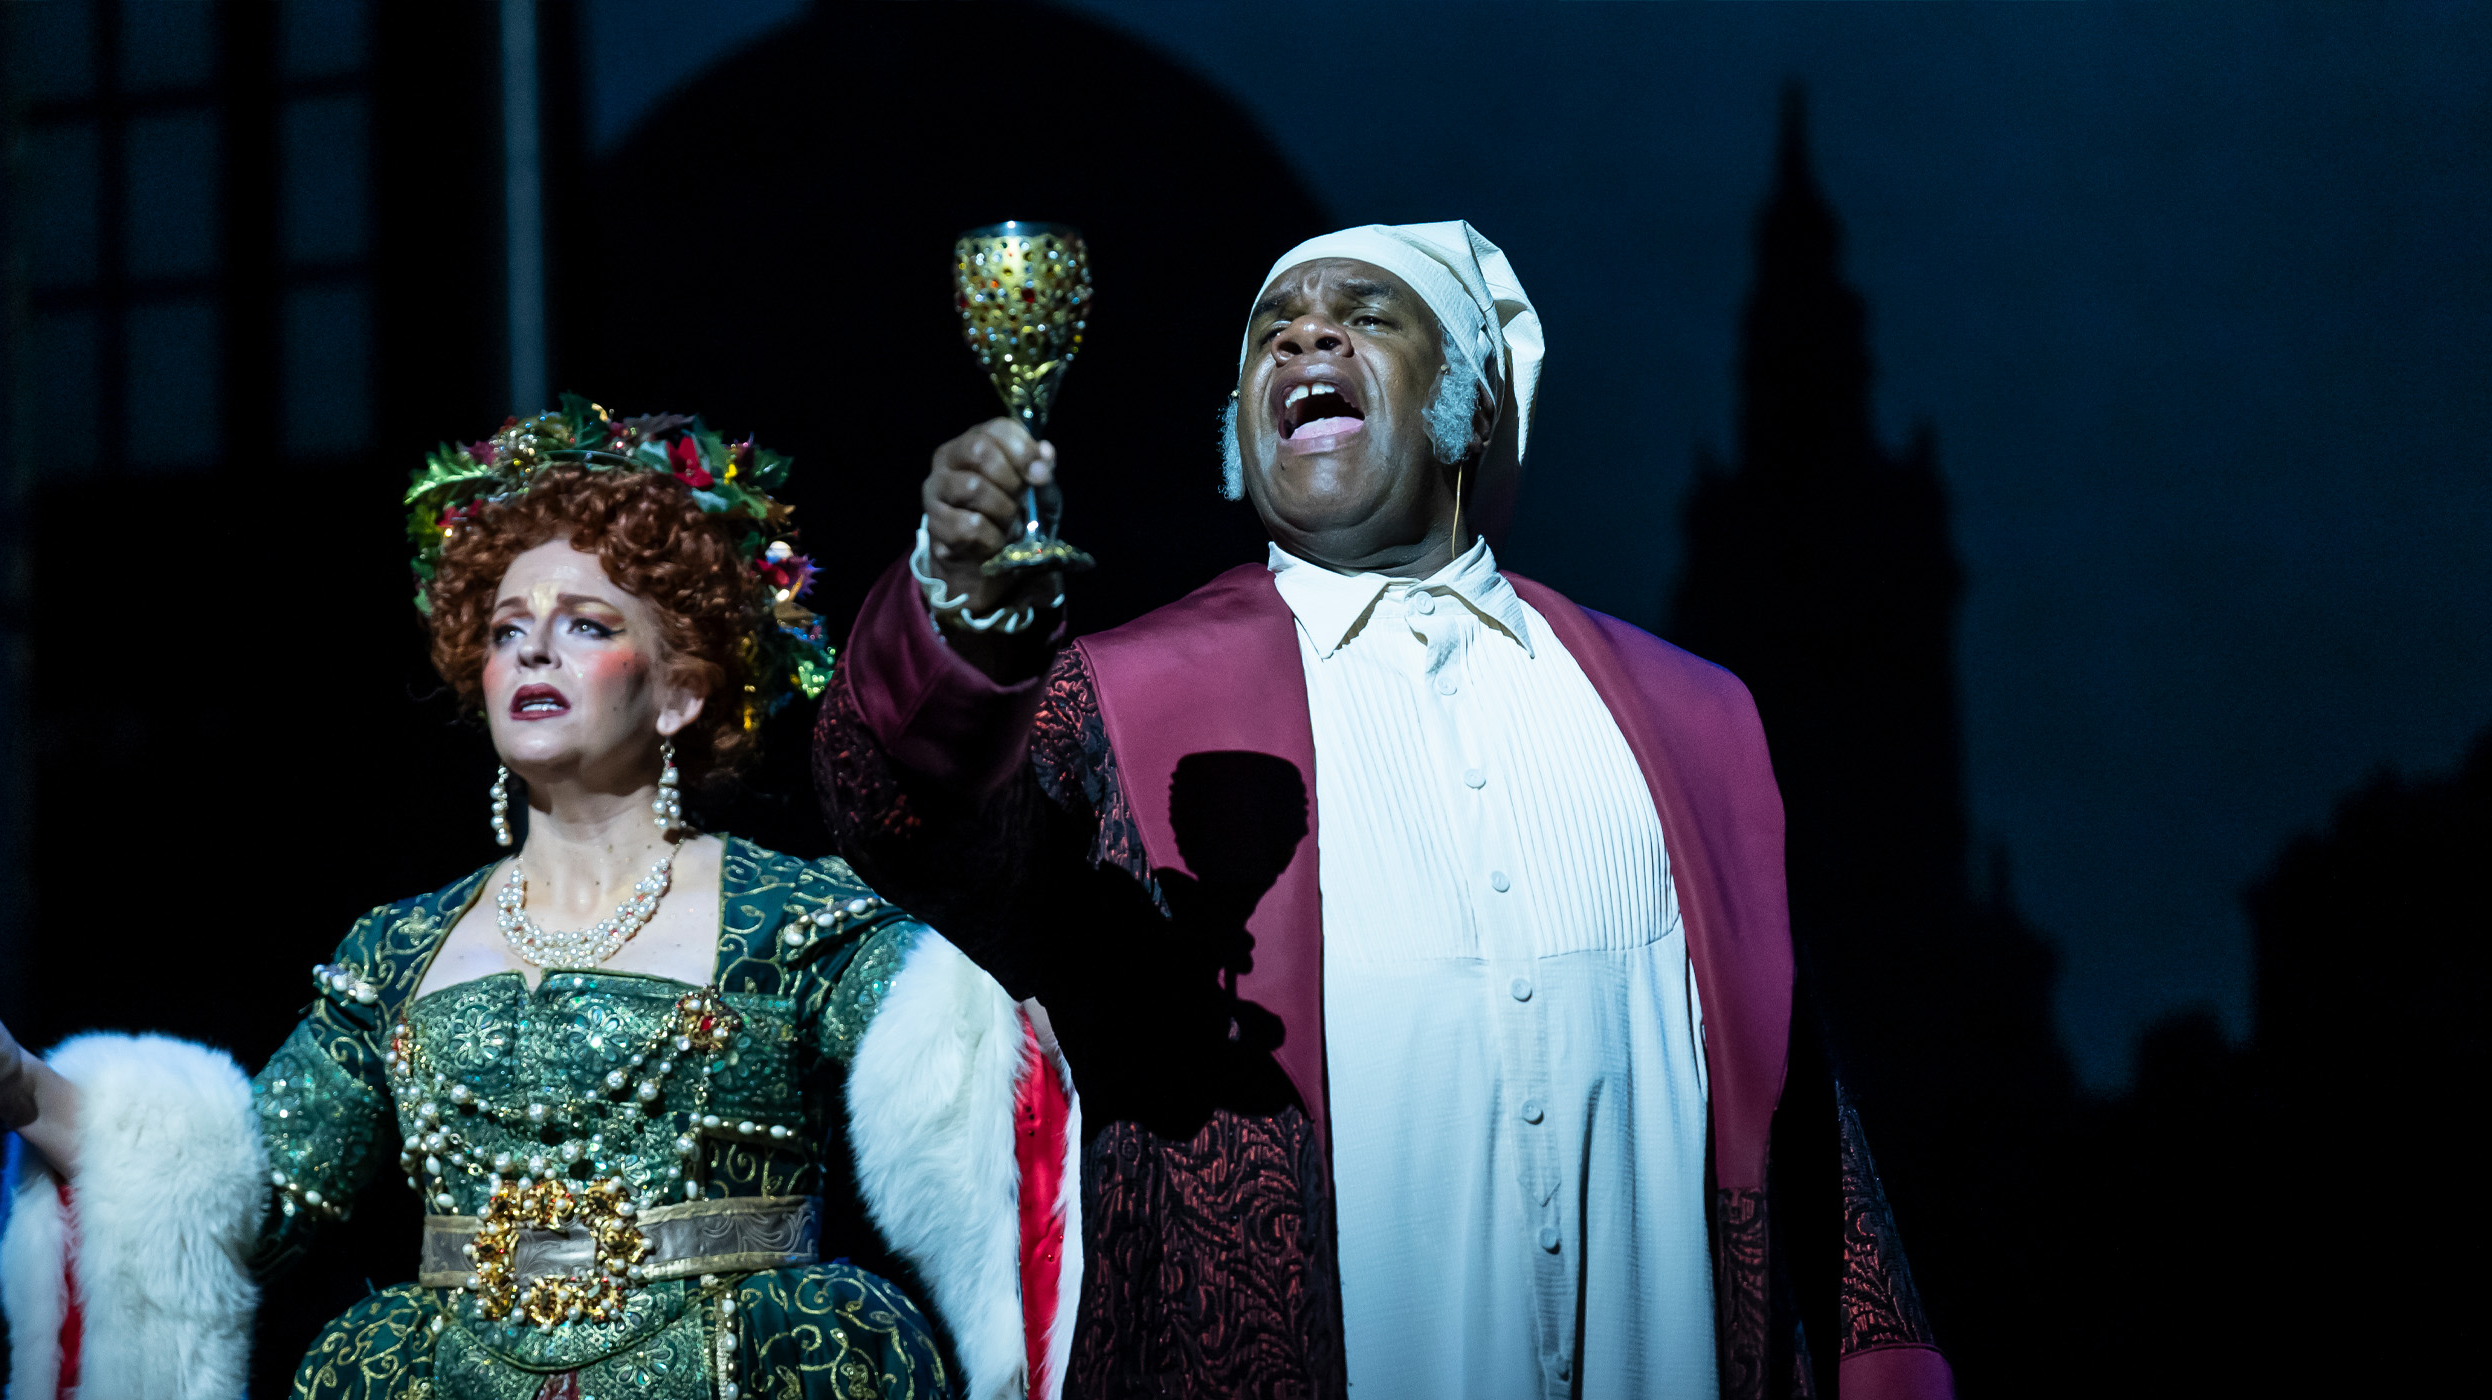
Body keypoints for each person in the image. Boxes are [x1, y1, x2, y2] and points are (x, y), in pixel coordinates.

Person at [813, 222, 1952, 1400]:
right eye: (1273, 325)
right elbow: (907, 822)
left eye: (1366, 313)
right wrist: (958, 620)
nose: (1307, 332)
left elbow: (1795, 1110)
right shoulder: (1120, 696)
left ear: (1467, 402)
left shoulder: (1689, 716)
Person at [0, 400, 1079, 1400]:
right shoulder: (399, 949)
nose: (534, 651)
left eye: (587, 624)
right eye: (508, 629)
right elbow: (235, 1190)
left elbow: (985, 1081)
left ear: (678, 692)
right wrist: (13, 1077)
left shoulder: (797, 921)